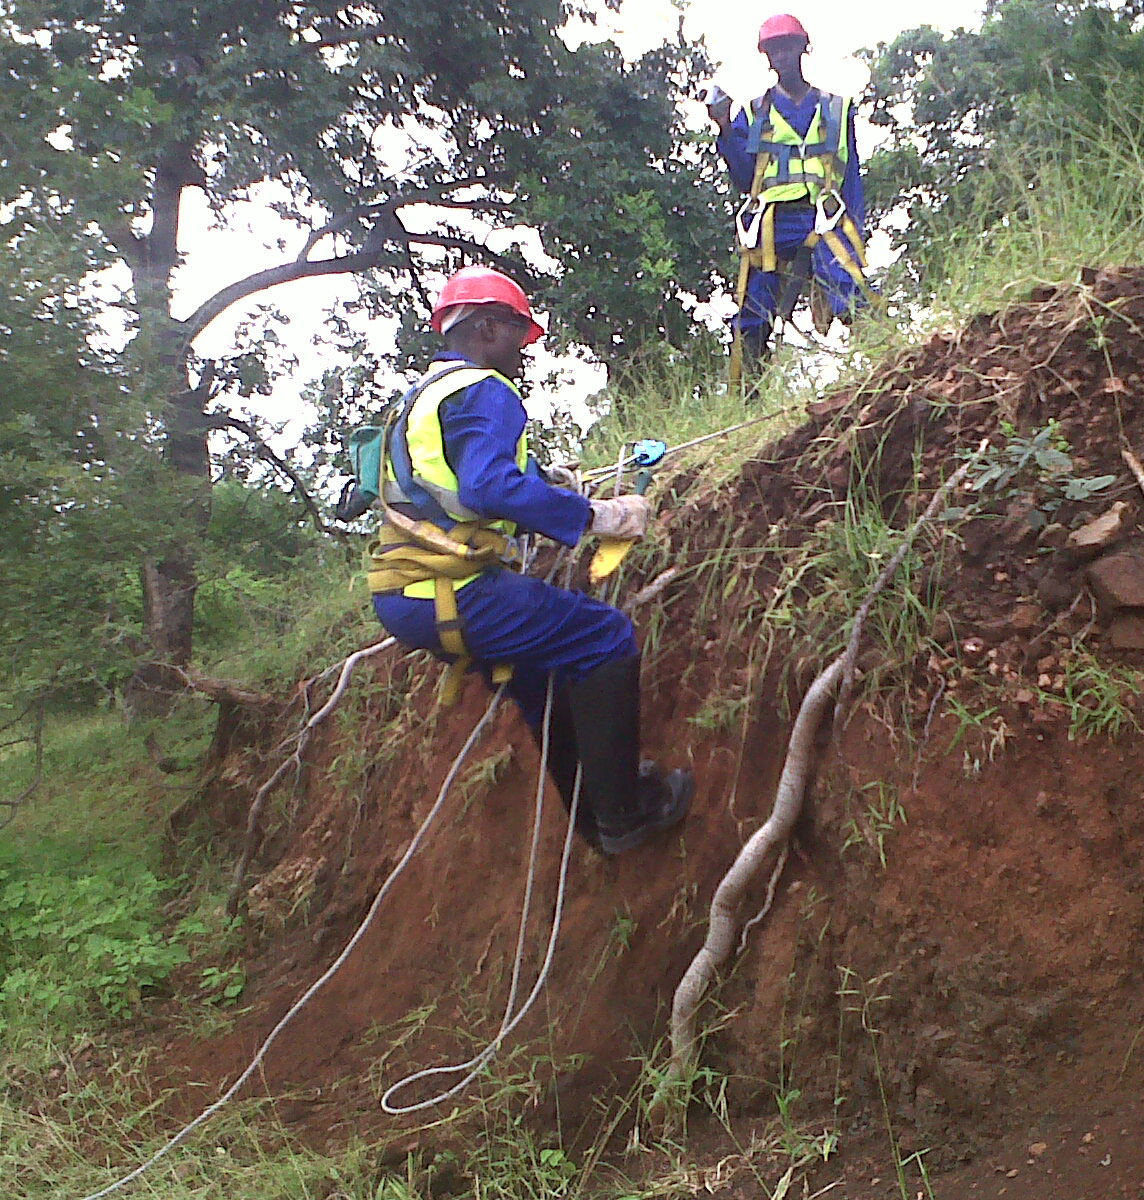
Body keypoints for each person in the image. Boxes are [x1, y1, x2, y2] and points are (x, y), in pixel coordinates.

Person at [367, 265, 693, 855]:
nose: (524, 352)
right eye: (519, 333)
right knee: (604, 636)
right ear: (488, 328)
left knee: (540, 681)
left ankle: (595, 817)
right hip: (452, 589)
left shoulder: (421, 397)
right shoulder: (485, 390)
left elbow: (449, 490)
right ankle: (624, 814)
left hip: (408, 595)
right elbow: (490, 488)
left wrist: (542, 482)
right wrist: (597, 517)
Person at [706, 13, 876, 382]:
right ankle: (746, 396)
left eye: (788, 48)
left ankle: (886, 367)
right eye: (774, 50)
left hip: (825, 217)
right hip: (774, 222)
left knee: (849, 285)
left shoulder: (835, 107)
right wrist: (723, 127)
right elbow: (743, 176)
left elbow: (851, 174)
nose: (781, 57)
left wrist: (856, 229)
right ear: (766, 57)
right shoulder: (754, 112)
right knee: (753, 310)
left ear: (803, 49)